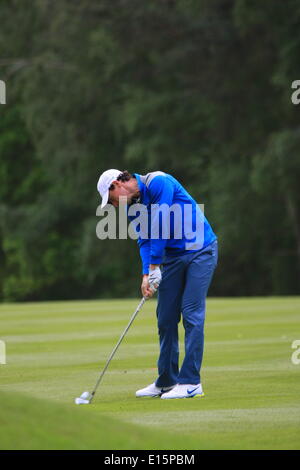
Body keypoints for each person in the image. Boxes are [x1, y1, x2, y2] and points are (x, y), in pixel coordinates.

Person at [97, 169, 218, 399]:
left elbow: (161, 222)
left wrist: (154, 266)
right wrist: (146, 275)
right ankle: (167, 381)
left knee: (191, 312)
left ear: (116, 185)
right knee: (165, 317)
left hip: (200, 250)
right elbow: (144, 239)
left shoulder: (159, 182)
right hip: (173, 257)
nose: (113, 206)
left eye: (112, 200)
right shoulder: (132, 206)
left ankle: (191, 382)